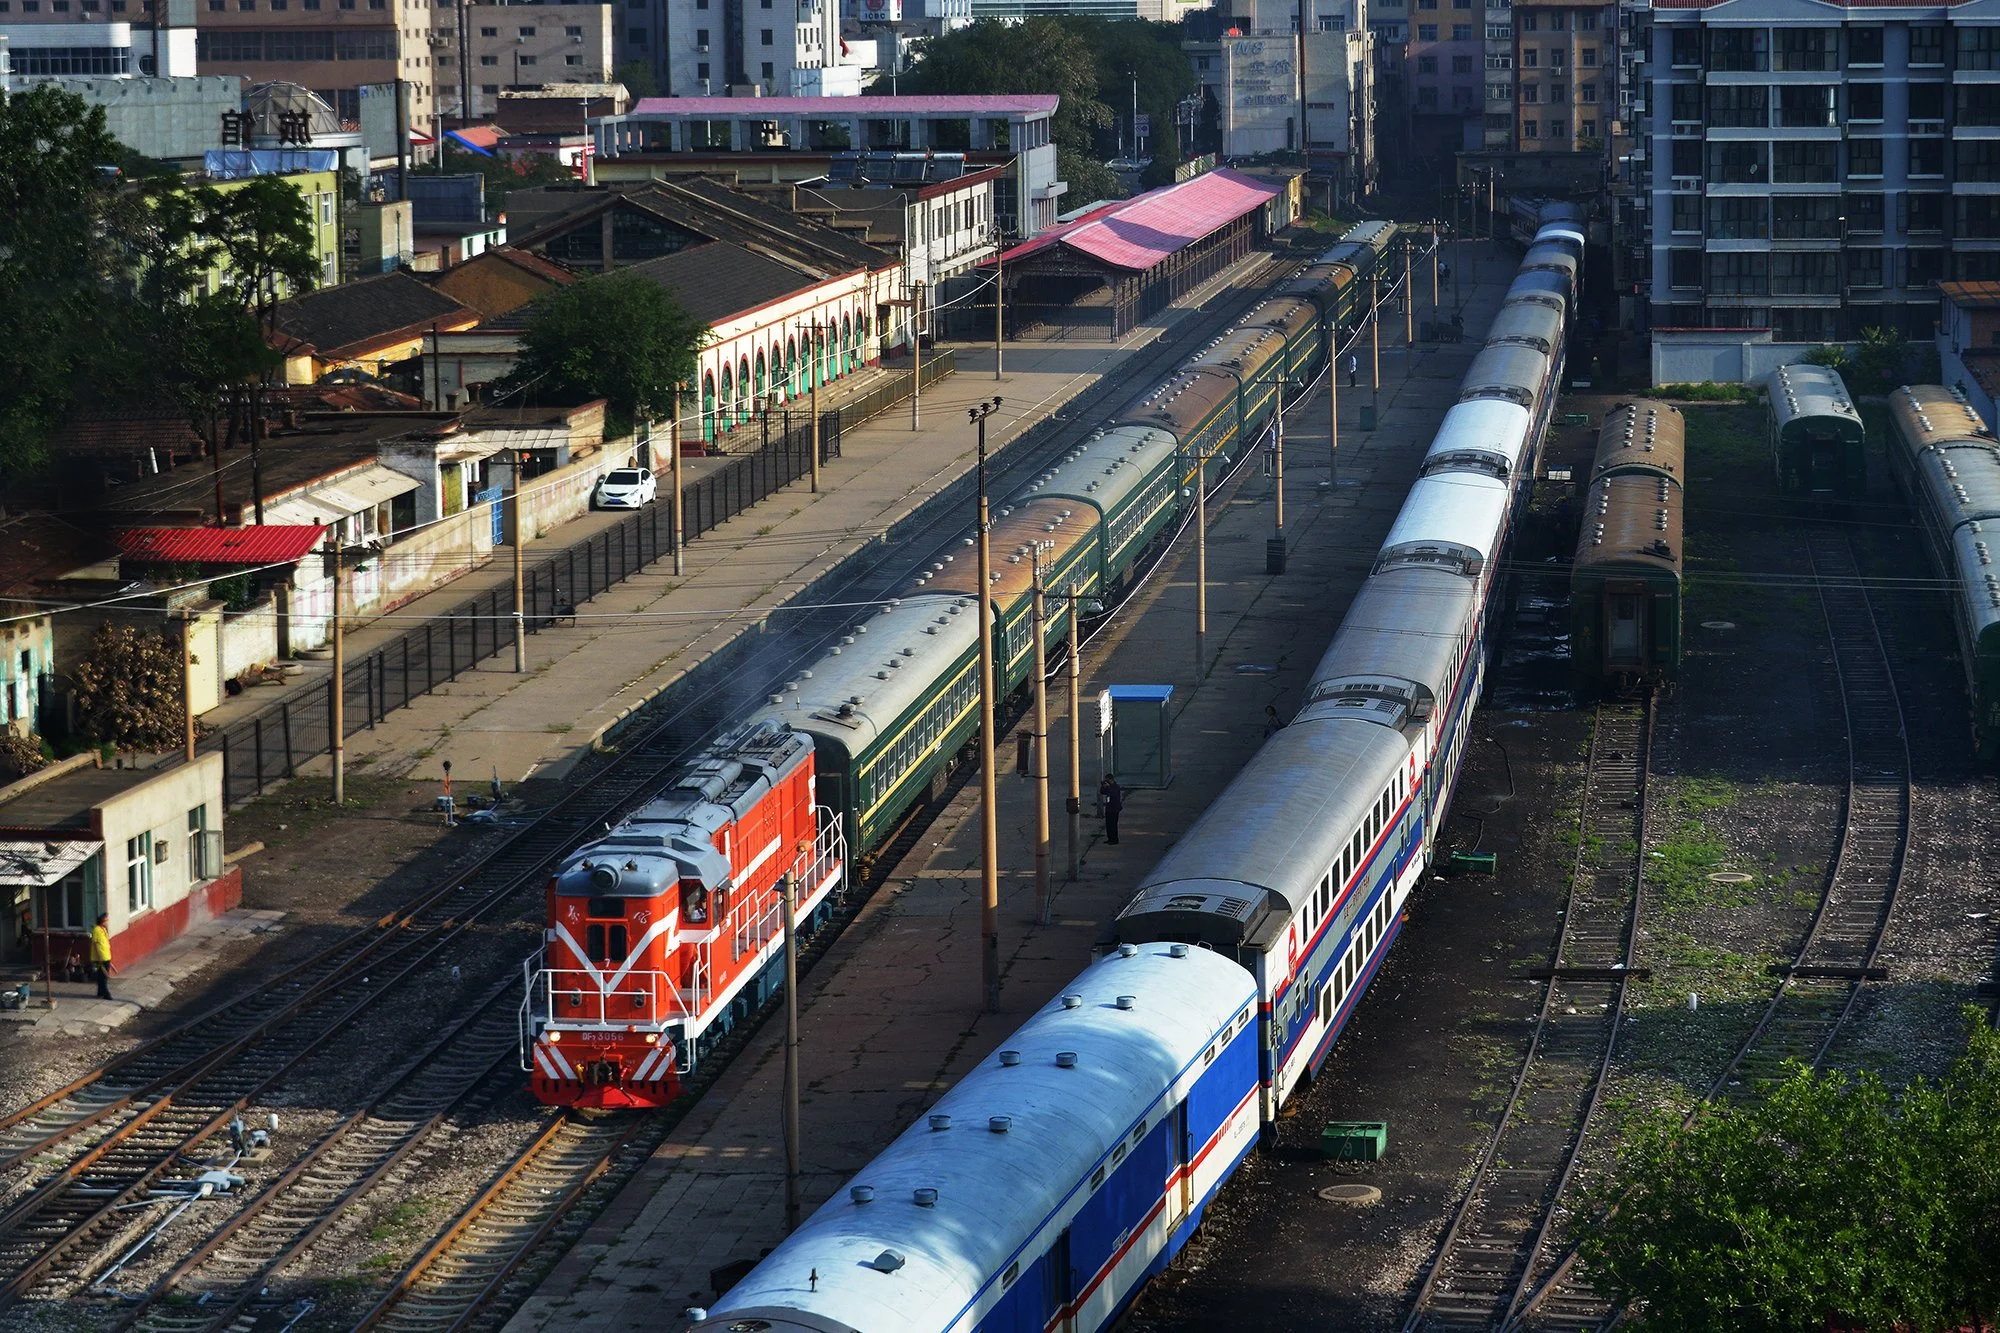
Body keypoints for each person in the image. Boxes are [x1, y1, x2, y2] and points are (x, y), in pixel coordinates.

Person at [88, 913, 113, 1000]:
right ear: (102, 921)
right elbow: (96, 945)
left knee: (101, 976)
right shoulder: (97, 930)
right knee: (103, 976)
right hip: (101, 957)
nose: (107, 922)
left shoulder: (104, 930)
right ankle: (106, 993)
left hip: (106, 956)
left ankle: (100, 992)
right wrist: (99, 958)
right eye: (106, 920)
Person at [1100, 774, 1124, 846]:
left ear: (1111, 779)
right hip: (1109, 808)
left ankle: (1114, 839)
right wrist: (1103, 786)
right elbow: (1102, 792)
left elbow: (1112, 794)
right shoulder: (1109, 787)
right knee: (1108, 825)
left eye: (1108, 780)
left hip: (1114, 809)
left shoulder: (1116, 787)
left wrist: (1108, 787)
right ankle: (1110, 838)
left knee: (1113, 825)